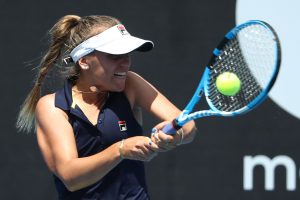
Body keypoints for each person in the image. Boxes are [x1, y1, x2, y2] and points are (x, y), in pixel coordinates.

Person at [16, 15, 197, 200]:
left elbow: (187, 125)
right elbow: (71, 178)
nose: (125, 63)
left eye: (127, 55)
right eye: (114, 56)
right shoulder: (52, 107)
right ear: (84, 61)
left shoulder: (131, 84)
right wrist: (120, 149)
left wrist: (176, 136)